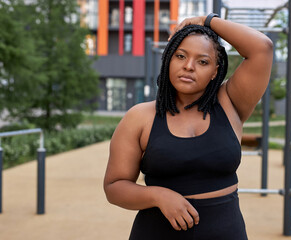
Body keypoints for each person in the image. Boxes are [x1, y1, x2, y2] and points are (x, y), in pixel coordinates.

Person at [104, 14, 273, 240]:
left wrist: (206, 20)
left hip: (225, 233)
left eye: (202, 61)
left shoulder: (230, 103)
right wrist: (158, 196)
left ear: (215, 70)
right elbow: (114, 186)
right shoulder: (140, 117)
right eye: (180, 56)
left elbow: (262, 48)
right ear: (168, 60)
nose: (189, 66)